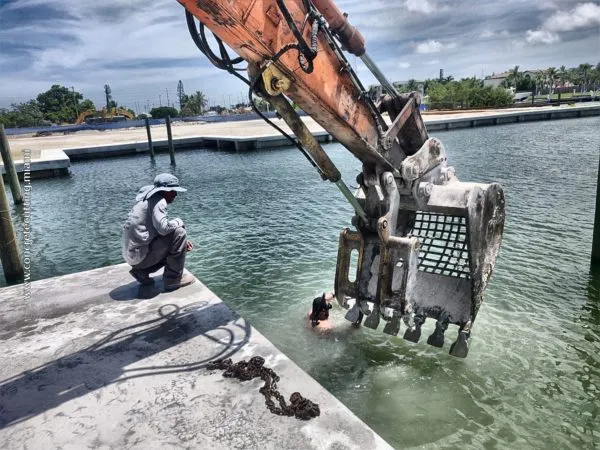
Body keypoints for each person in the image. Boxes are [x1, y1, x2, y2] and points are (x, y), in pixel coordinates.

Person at [122, 173, 195, 291]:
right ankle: (173, 279)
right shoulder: (159, 201)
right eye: (173, 190)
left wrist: (181, 242)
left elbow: (154, 230)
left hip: (134, 257)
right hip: (141, 257)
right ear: (165, 191)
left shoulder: (145, 199)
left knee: (178, 238)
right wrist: (179, 222)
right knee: (180, 232)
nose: (175, 194)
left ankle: (141, 272)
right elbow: (164, 229)